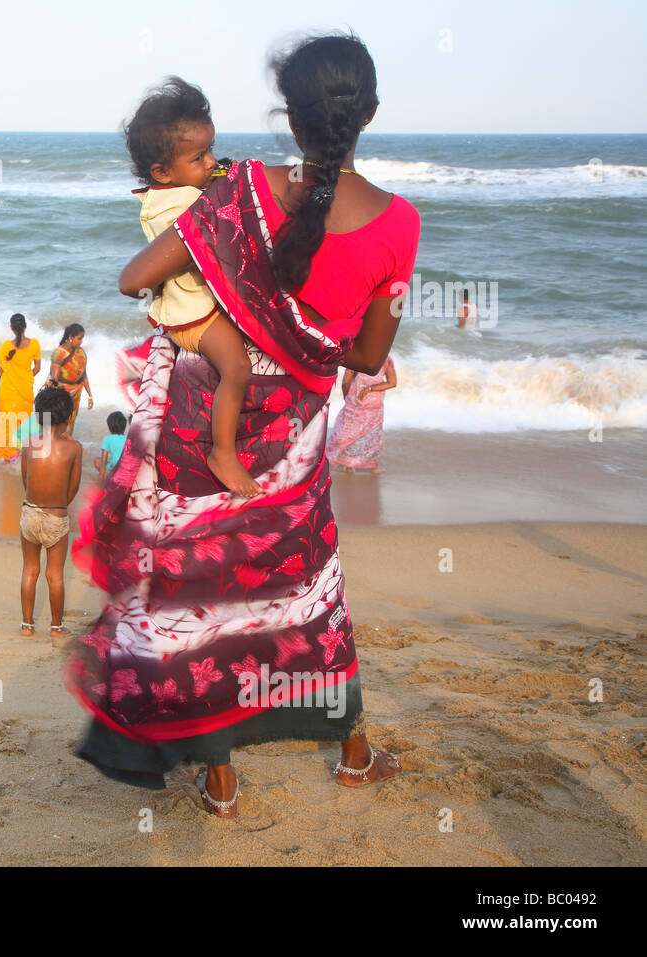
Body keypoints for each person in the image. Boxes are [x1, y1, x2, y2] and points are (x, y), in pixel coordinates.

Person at [67, 33, 420, 818]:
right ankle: (353, 753)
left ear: (288, 116)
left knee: (205, 590)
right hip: (291, 440)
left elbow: (140, 276)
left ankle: (219, 776)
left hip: (202, 421)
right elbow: (366, 353)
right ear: (370, 114)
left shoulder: (244, 190)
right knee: (308, 591)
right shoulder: (400, 224)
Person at [127, 78, 259, 498]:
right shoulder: (180, 205)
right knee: (238, 368)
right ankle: (222, 452)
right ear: (162, 172)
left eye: (211, 149)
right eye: (199, 156)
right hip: (192, 317)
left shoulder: (172, 192)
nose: (211, 162)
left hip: (187, 307)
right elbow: (217, 220)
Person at [19, 387, 83, 637]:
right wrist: (59, 506)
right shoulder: (74, 448)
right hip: (56, 515)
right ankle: (56, 627)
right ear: (69, 418)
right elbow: (73, 486)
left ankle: (27, 626)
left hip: (30, 513)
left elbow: (26, 481)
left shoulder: (29, 444)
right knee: (55, 574)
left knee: (29, 570)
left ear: (37, 416)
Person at [328, 356, 396, 473]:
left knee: (348, 432)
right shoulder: (386, 359)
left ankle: (348, 465)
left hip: (356, 400)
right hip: (376, 402)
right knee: (372, 434)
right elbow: (392, 383)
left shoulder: (358, 358)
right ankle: (374, 467)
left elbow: (346, 382)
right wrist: (371, 388)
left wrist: (347, 397)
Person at [0, 313, 42, 462]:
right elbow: (37, 368)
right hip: (26, 389)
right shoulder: (34, 344)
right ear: (25, 326)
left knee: (7, 422)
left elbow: (0, 370)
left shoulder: (6, 346)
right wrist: (25, 379)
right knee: (23, 422)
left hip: (8, 390)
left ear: (11, 328)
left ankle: (8, 456)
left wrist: (10, 381)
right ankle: (21, 453)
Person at [47, 323, 92, 436]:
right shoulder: (59, 353)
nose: (81, 341)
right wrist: (57, 394)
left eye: (82, 338)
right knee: (59, 421)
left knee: (71, 421)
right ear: (71, 337)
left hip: (76, 391)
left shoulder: (81, 352)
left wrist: (90, 395)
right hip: (62, 391)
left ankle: (67, 446)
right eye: (79, 338)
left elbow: (83, 373)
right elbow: (54, 376)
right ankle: (56, 447)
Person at [94, 411, 128, 477]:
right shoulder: (129, 438)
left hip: (116, 471)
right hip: (127, 471)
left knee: (97, 460)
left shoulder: (108, 439)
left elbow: (104, 461)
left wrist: (100, 483)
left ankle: (107, 480)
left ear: (110, 428)